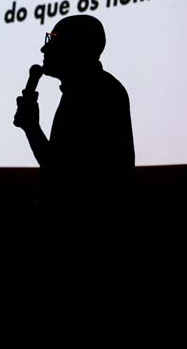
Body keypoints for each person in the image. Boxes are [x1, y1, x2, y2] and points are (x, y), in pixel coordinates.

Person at [14, 14, 135, 221]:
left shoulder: (96, 93)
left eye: (53, 40)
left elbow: (62, 175)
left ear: (77, 46)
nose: (44, 49)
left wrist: (32, 127)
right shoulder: (85, 89)